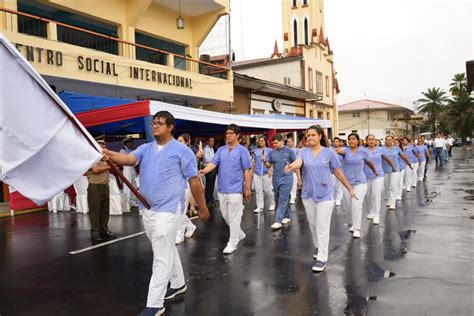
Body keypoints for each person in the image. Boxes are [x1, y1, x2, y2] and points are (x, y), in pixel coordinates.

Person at [103, 111, 209, 316]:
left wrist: (202, 207)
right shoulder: (146, 148)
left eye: (160, 123)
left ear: (170, 127)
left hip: (169, 210)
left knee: (160, 255)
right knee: (166, 248)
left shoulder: (182, 151)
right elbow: (127, 159)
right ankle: (178, 284)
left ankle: (155, 303)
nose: (155, 126)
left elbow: (194, 180)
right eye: (154, 123)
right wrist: (108, 153)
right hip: (148, 209)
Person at [285, 125, 355, 272]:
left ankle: (322, 257)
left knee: (322, 225)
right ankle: (318, 246)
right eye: (307, 135)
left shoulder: (329, 153)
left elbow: (337, 171)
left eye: (312, 135)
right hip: (308, 194)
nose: (309, 137)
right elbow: (299, 163)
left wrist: (349, 187)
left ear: (320, 136)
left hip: (325, 194)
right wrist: (292, 166)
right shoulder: (303, 152)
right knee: (313, 224)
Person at [199, 124, 252, 254]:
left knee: (234, 217)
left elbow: (247, 171)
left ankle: (233, 242)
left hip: (235, 189)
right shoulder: (221, 150)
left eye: (231, 133)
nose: (228, 135)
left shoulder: (242, 151)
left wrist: (248, 188)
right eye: (227, 133)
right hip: (222, 188)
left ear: (237, 135)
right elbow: (213, 163)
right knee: (225, 215)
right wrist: (204, 171)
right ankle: (238, 233)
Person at [335, 133, 378, 238]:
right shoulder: (345, 150)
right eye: (349, 139)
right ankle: (354, 223)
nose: (351, 141)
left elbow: (369, 162)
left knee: (356, 205)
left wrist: (374, 171)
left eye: (353, 139)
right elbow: (337, 151)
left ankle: (357, 228)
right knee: (349, 206)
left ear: (358, 141)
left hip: (360, 182)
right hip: (347, 183)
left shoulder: (363, 151)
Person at [262, 134, 297, 230]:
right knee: (279, 198)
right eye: (273, 143)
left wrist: (299, 178)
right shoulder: (272, 153)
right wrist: (265, 161)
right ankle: (286, 216)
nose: (275, 145)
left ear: (282, 141)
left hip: (287, 178)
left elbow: (296, 163)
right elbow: (269, 165)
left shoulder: (289, 151)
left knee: (283, 199)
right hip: (276, 179)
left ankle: (278, 221)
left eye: (276, 143)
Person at [87, 139, 116, 242]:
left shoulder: (105, 158)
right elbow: (95, 170)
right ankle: (95, 232)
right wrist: (109, 167)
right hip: (95, 187)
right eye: (101, 145)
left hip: (104, 185)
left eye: (104, 145)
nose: (103, 147)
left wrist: (108, 165)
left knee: (105, 210)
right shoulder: (91, 158)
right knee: (95, 211)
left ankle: (104, 229)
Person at [364, 134, 397, 224]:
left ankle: (377, 215)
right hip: (366, 176)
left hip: (378, 175)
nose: (371, 141)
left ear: (375, 141)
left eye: (373, 139)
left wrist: (393, 167)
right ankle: (371, 211)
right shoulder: (363, 151)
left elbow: (387, 159)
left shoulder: (380, 150)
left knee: (376, 194)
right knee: (368, 194)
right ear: (366, 141)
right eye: (369, 139)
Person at [175, 134, 198, 244]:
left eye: (180, 141)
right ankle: (191, 226)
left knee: (180, 210)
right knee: (177, 211)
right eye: (177, 141)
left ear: (187, 142)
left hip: (186, 184)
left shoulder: (189, 154)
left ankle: (180, 235)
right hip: (175, 185)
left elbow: (192, 174)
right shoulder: (175, 153)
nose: (178, 143)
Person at [383, 136, 410, 210]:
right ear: (385, 141)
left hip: (395, 169)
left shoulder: (396, 148)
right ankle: (388, 199)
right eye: (387, 140)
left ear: (392, 141)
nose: (389, 141)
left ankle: (392, 202)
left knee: (393, 186)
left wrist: (409, 163)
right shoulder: (381, 149)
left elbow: (403, 156)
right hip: (385, 170)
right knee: (386, 186)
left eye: (390, 140)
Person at [252, 136, 275, 213]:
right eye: (259, 140)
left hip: (266, 172)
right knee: (258, 190)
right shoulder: (256, 151)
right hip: (257, 172)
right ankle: (259, 206)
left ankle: (272, 203)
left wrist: (271, 169)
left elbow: (272, 161)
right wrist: (252, 171)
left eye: (262, 140)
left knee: (267, 189)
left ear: (265, 141)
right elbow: (254, 162)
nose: (260, 142)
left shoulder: (270, 150)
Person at [119, 136, 138, 210]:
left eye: (132, 142)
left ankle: (132, 202)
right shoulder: (122, 150)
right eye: (130, 142)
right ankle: (126, 204)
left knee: (133, 185)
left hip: (132, 168)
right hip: (127, 168)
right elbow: (126, 160)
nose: (131, 144)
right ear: (126, 143)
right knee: (127, 185)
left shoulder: (131, 150)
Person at [287, 137, 301, 204]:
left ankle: (293, 196)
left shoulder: (297, 150)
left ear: (293, 142)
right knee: (288, 184)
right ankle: (290, 195)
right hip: (287, 169)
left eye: (290, 141)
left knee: (293, 184)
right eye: (288, 141)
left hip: (294, 169)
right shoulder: (286, 150)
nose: (289, 143)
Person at [203, 137, 217, 206]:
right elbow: (208, 159)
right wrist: (215, 160)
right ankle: (208, 199)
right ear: (207, 142)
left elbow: (214, 158)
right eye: (211, 141)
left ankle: (211, 198)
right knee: (208, 184)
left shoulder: (212, 149)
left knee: (212, 184)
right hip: (208, 167)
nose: (212, 142)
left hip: (213, 167)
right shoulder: (206, 149)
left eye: (213, 141)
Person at [332, 137, 344, 206]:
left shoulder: (342, 150)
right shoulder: (330, 150)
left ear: (340, 142)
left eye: (337, 141)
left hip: (340, 171)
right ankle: (333, 198)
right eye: (334, 141)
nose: (335, 143)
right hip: (332, 171)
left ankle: (338, 199)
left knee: (339, 185)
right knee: (332, 185)